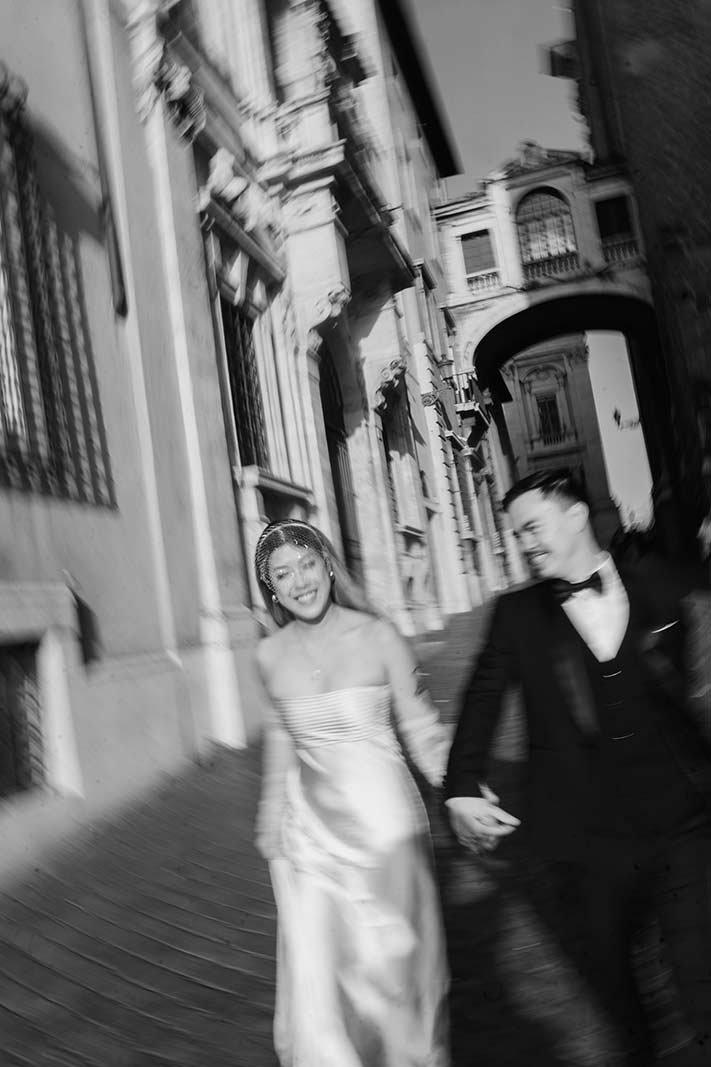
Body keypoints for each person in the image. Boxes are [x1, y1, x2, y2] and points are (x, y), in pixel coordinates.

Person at [445, 469, 711, 1066]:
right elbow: (482, 699)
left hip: (680, 825)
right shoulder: (516, 616)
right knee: (620, 998)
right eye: (516, 536)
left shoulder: (658, 588)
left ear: (574, 515)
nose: (525, 543)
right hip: (584, 841)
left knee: (702, 986)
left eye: (532, 527)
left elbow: (686, 692)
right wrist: (461, 785)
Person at [253, 518, 451, 1067]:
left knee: (396, 974)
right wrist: (271, 815)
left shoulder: (378, 635)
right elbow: (279, 737)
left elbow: (421, 728)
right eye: (282, 574)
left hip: (388, 832)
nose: (299, 582)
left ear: (329, 566)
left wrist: (458, 786)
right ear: (271, 587)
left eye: (307, 565)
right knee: (320, 985)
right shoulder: (269, 656)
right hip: (310, 841)